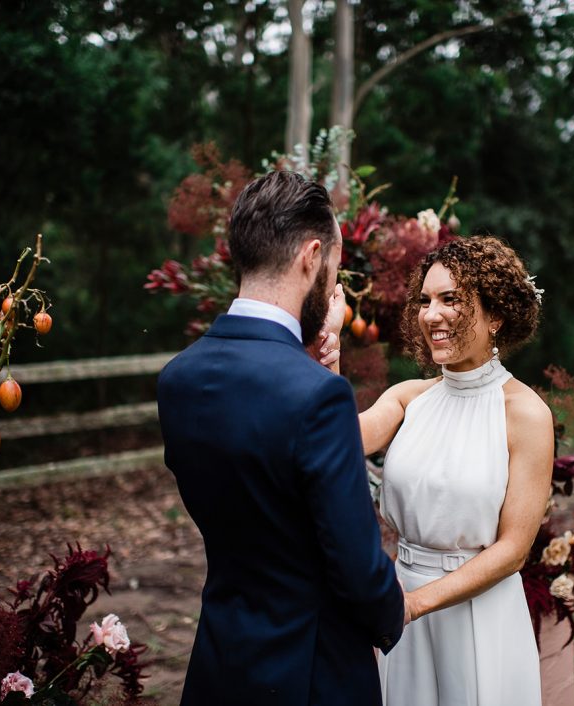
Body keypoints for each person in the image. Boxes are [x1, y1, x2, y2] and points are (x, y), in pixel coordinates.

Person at [157, 170, 407, 706]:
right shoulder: (319, 397)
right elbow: (359, 568)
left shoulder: (177, 379)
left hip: (220, 663)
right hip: (311, 673)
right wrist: (393, 617)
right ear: (311, 257)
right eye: (335, 269)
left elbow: (252, 503)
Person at [355, 236, 554, 705]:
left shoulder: (525, 413)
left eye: (451, 299)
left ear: (496, 315)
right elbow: (330, 440)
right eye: (425, 300)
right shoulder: (408, 399)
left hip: (476, 615)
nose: (431, 314)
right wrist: (318, 363)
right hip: (401, 610)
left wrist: (414, 605)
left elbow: (513, 549)